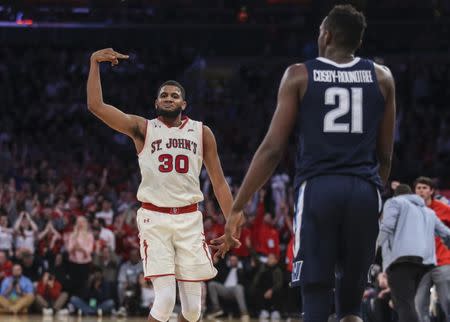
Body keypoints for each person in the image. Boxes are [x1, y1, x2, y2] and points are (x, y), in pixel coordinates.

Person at [214, 5, 396, 322]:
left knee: (315, 292)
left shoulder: (300, 74)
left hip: (319, 188)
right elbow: (386, 156)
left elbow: (272, 149)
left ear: (325, 35)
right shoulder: (382, 78)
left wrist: (238, 206)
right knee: (352, 303)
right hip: (365, 188)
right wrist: (373, 195)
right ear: (358, 41)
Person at [87, 48, 234, 322]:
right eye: (164, 95)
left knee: (192, 311)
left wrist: (232, 223)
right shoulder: (143, 128)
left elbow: (220, 183)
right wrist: (94, 62)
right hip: (155, 218)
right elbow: (97, 106)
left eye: (174, 95)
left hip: (190, 219)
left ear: (184, 104)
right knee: (165, 301)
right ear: (156, 103)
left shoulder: (202, 132)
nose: (169, 98)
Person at [376, 184, 450, 322]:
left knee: (405, 304)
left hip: (401, 262)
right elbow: (446, 234)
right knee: (411, 304)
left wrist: (374, 247)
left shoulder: (394, 203)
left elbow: (387, 228)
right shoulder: (428, 212)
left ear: (396, 195)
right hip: (425, 264)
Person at [414, 176, 450, 322]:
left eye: (424, 188)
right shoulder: (411, 210)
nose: (421, 191)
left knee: (447, 301)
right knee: (418, 303)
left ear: (431, 191)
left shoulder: (443, 209)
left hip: (443, 262)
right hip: (421, 265)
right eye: (418, 188)